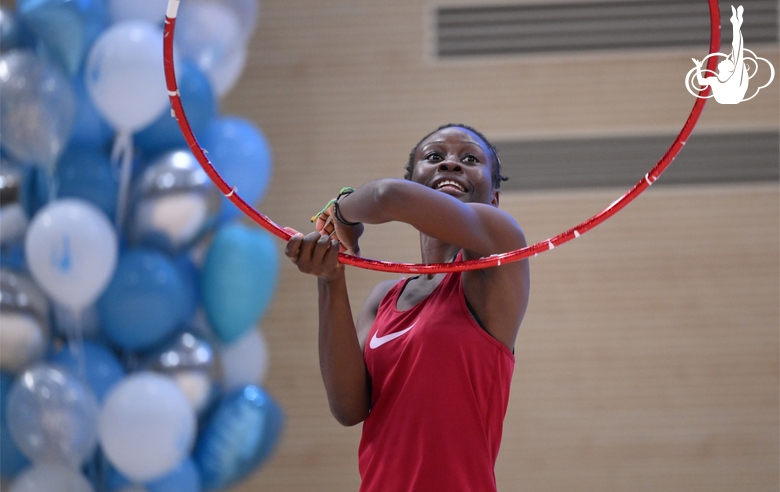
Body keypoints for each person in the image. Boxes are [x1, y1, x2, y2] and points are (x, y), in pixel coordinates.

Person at [284, 124, 530, 491]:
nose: (450, 164)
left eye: (469, 159)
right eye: (434, 156)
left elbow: (387, 196)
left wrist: (340, 212)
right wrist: (330, 279)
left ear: (494, 198)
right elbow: (349, 409)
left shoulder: (500, 248)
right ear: (415, 181)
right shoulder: (383, 297)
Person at [692, 5, 748, 104]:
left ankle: (736, 24)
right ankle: (736, 24)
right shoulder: (721, 80)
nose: (724, 59)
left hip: (731, 96)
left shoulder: (723, 80)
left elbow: (737, 49)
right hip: (730, 95)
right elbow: (737, 50)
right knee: (737, 51)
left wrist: (698, 67)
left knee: (737, 51)